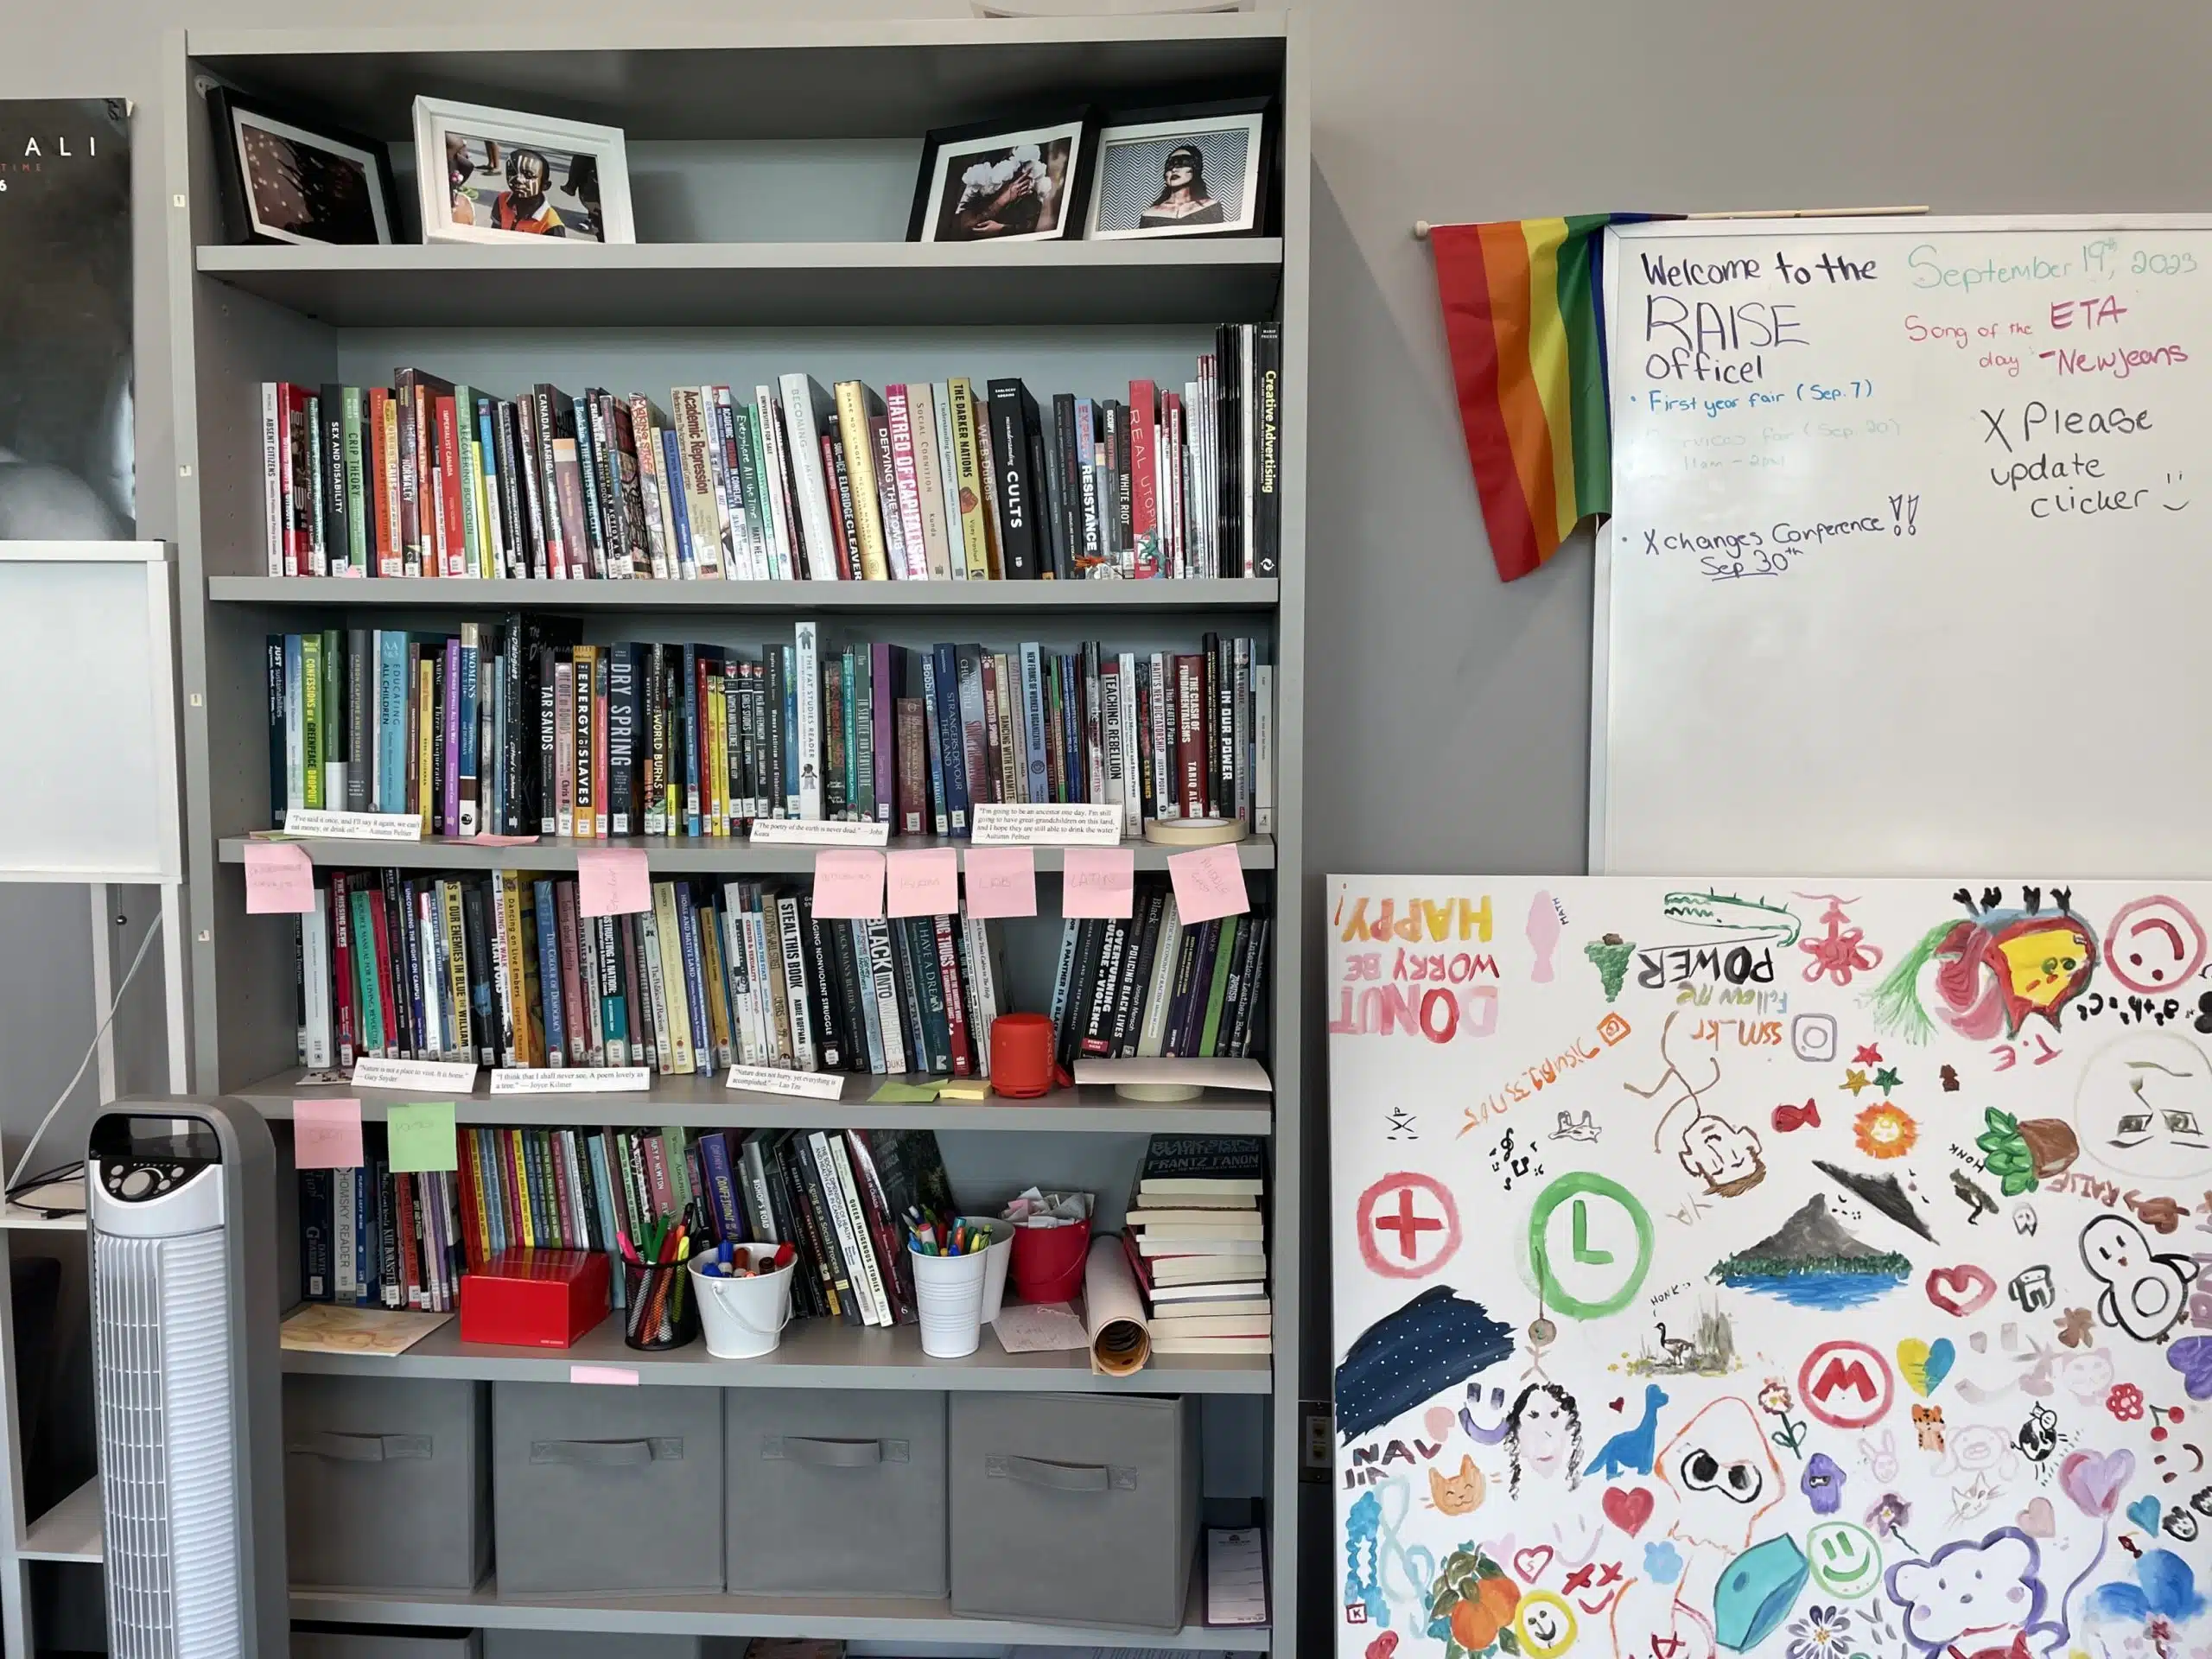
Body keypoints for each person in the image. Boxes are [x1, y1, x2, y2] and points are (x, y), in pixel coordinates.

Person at [1137, 143, 1225, 229]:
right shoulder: (1149, 215)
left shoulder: (1210, 207)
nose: (1174, 170)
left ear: (1195, 169)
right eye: (1170, 165)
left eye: (1182, 164)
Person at [493, 148, 566, 237]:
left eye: (528, 175)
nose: (519, 179)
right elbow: (494, 234)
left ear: (545, 185)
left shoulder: (551, 224)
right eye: (512, 172)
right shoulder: (502, 200)